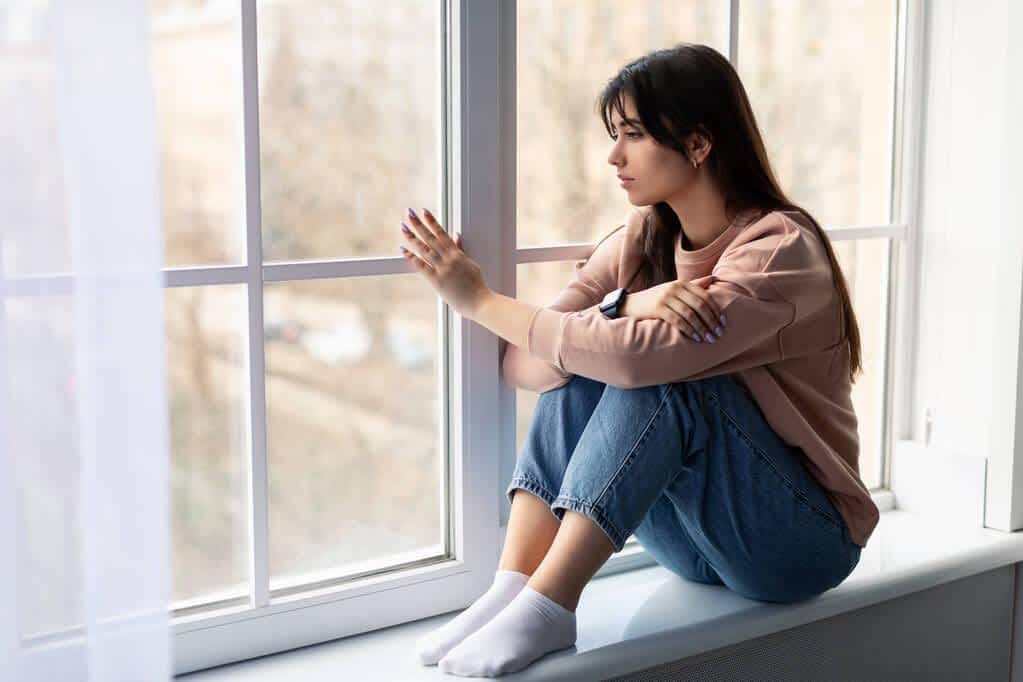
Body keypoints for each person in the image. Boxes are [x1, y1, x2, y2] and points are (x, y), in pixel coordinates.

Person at [398, 43, 878, 678]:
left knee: (666, 378)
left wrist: (478, 300)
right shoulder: (641, 241)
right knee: (576, 371)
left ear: (699, 143)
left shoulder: (777, 251)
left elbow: (634, 366)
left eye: (632, 135)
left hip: (797, 544)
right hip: (695, 544)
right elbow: (526, 365)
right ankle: (513, 588)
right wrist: (627, 305)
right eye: (613, 135)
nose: (612, 156)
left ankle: (550, 607)